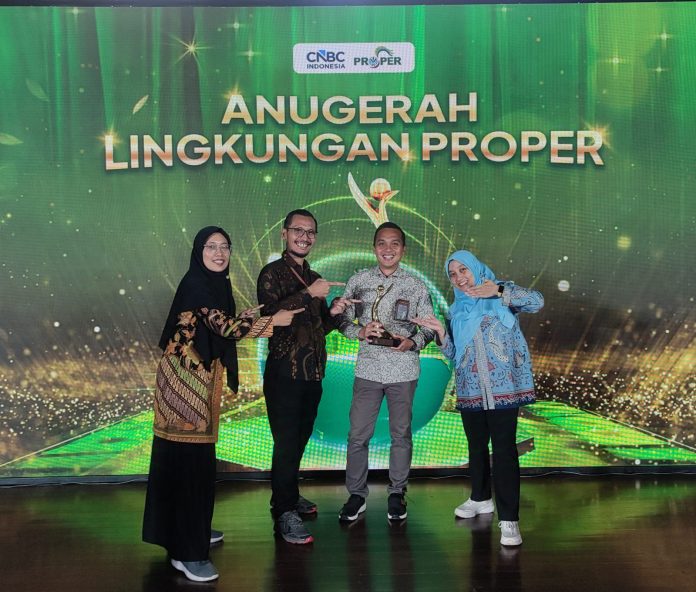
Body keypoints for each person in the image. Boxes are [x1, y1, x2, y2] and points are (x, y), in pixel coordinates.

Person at [143, 226, 301, 582]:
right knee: (188, 462)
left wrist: (243, 317)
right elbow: (224, 328)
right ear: (198, 252)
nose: (219, 253)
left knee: (194, 462)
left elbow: (216, 323)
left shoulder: (215, 285)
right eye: (211, 247)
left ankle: (189, 529)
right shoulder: (197, 284)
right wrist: (269, 322)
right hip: (184, 385)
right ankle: (186, 550)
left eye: (225, 247)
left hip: (198, 380)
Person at [413, 250, 543, 546]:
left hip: (503, 389)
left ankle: (509, 519)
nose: (459, 278)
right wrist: (440, 333)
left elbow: (538, 301)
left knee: (505, 451)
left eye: (464, 270)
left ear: (475, 268)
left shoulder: (502, 294)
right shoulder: (455, 311)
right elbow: (454, 354)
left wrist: (499, 291)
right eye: (453, 274)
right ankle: (481, 498)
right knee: (476, 447)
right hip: (470, 390)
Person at [257, 209, 350, 544]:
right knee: (285, 443)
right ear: (284, 234)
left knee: (299, 439)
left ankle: (288, 495)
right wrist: (310, 293)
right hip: (284, 373)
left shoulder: (315, 276)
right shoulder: (271, 274)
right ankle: (284, 512)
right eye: (298, 230)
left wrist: (334, 312)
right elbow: (270, 318)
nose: (304, 237)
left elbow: (319, 328)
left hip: (313, 374)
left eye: (310, 232)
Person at [334, 222, 436, 523]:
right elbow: (340, 320)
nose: (388, 249)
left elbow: (430, 328)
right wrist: (360, 331)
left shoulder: (416, 286)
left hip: (403, 370)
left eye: (394, 243)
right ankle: (356, 495)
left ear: (403, 249)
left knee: (401, 434)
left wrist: (412, 342)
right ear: (374, 247)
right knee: (357, 435)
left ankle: (397, 493)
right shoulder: (359, 281)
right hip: (368, 369)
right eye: (382, 243)